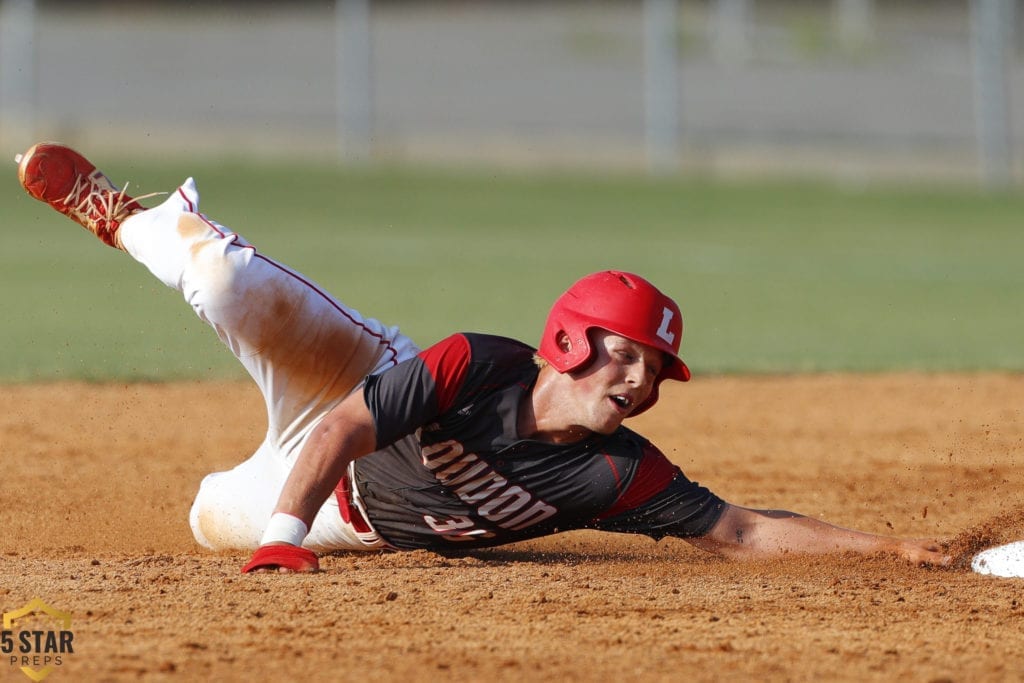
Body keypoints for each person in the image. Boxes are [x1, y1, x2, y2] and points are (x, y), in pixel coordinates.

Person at [15, 142, 951, 574]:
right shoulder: (478, 364)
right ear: (570, 342)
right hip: (351, 388)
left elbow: (741, 531)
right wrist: (284, 538)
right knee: (223, 281)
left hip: (357, 523)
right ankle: (130, 216)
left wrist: (895, 547)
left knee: (201, 517)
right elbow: (346, 424)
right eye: (626, 357)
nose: (640, 382)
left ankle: (268, 509)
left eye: (656, 370)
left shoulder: (616, 473)